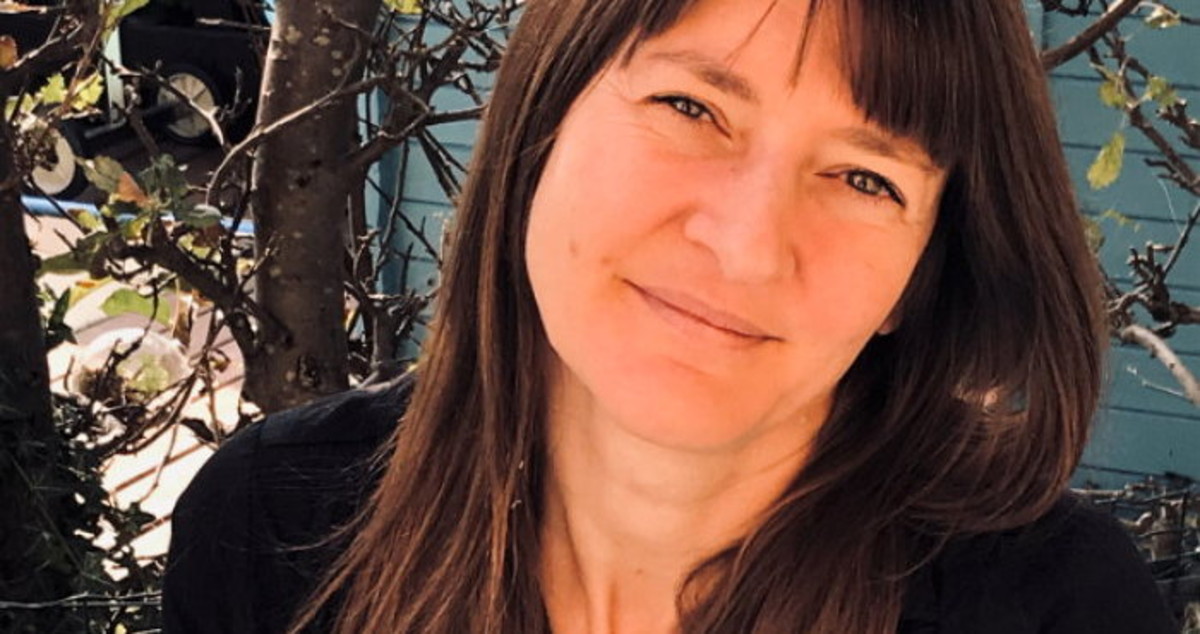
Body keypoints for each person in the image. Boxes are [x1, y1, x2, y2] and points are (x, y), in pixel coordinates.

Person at [162, 0, 1180, 632]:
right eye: (692, 108)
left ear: (919, 278)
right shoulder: (271, 528)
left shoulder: (1056, 608)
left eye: (864, 177)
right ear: (541, 122)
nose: (746, 246)